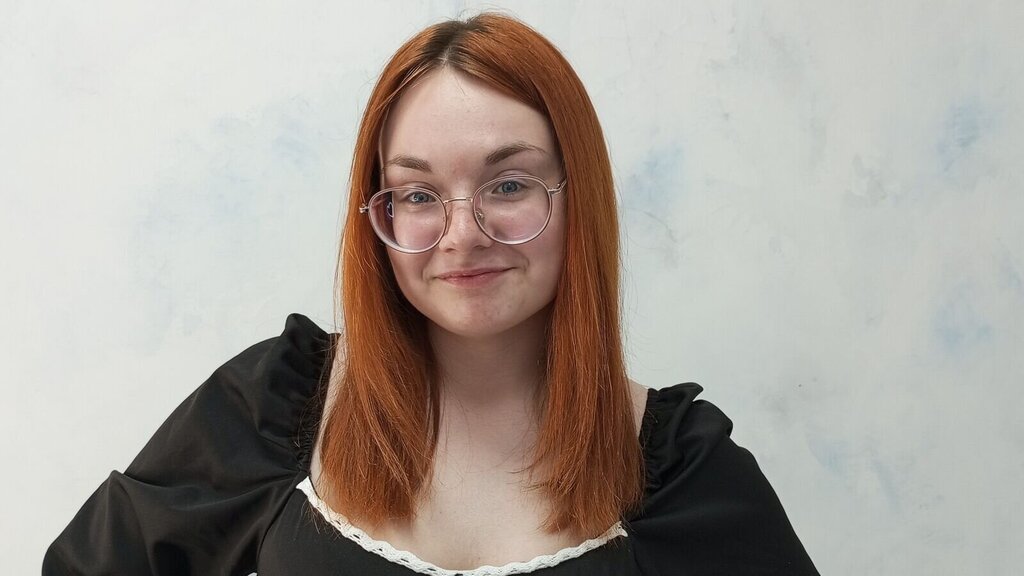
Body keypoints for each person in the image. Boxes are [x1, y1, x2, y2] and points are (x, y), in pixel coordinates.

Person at [44, 13, 818, 575]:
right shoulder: (275, 409)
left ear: (577, 198)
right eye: (417, 195)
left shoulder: (677, 468)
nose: (461, 234)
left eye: (507, 184)